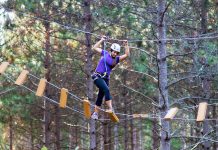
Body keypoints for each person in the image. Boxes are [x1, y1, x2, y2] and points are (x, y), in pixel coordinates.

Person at [91, 36, 130, 120]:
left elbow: (127, 54)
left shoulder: (117, 59)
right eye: (114, 52)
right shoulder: (104, 53)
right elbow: (94, 47)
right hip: (97, 76)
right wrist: (102, 40)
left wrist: (126, 45)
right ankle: (111, 108)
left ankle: (95, 113)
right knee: (106, 90)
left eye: (116, 53)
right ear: (111, 50)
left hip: (106, 78)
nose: (115, 54)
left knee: (100, 95)